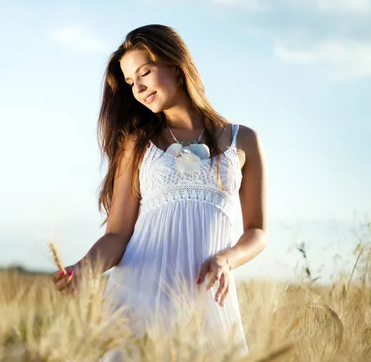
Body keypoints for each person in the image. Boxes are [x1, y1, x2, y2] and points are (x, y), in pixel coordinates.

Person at [51, 24, 267, 357]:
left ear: (176, 66)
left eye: (145, 73)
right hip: (140, 297)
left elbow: (257, 231)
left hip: (206, 297)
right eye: (129, 81)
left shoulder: (244, 141)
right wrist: (84, 268)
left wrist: (226, 261)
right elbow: (118, 234)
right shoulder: (137, 144)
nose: (137, 87)